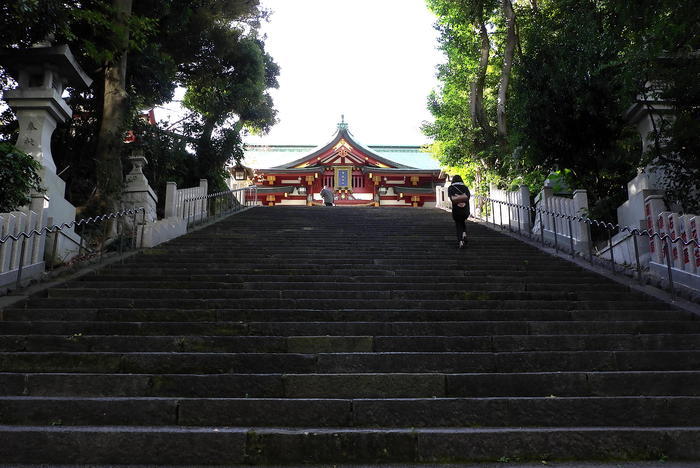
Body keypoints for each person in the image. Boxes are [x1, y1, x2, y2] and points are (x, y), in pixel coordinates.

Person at [447, 175, 471, 248]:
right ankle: (464, 234)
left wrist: (458, 202)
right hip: (465, 208)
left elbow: (451, 198)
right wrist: (463, 203)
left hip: (456, 208)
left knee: (458, 223)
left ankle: (460, 241)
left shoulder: (451, 187)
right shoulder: (465, 187)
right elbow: (468, 196)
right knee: (462, 221)